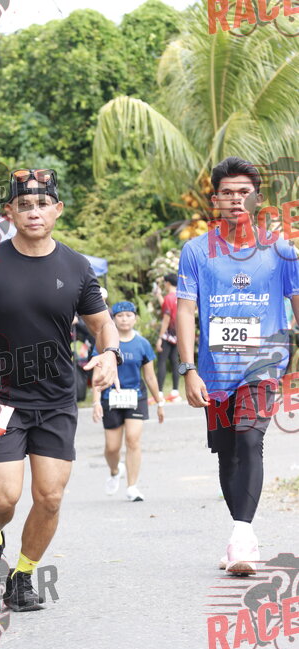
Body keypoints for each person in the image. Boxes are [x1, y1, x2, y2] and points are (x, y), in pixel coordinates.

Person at [0, 167, 120, 611]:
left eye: (42, 204)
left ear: (57, 209)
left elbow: (102, 324)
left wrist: (110, 353)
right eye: (24, 205)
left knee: (49, 497)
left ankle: (22, 576)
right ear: (9, 213)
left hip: (55, 399)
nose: (34, 212)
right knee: (4, 498)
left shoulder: (76, 266)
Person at [176, 157, 299, 576]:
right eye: (227, 193)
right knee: (228, 452)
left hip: (264, 364)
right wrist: (188, 369)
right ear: (215, 200)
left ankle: (243, 536)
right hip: (215, 371)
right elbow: (186, 309)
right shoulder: (196, 251)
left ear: (257, 198)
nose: (235, 199)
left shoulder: (281, 250)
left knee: (249, 439)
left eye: (244, 192)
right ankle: (238, 535)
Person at [92, 301, 165, 501]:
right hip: (110, 397)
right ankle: (115, 471)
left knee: (133, 440)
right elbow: (97, 374)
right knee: (112, 448)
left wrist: (159, 402)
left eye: (128, 315)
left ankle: (132, 487)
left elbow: (150, 377)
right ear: (113, 319)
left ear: (135, 318)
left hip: (136, 396)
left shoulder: (143, 344)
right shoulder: (104, 342)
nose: (124, 319)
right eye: (120, 316)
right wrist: (96, 402)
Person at [155, 273, 182, 403]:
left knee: (161, 362)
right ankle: (175, 392)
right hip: (178, 335)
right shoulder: (180, 297)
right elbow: (168, 308)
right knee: (175, 362)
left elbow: (166, 318)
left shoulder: (168, 298)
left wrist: (160, 337)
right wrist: (159, 296)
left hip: (167, 334)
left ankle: (159, 392)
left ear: (167, 283)